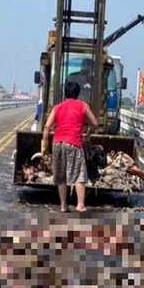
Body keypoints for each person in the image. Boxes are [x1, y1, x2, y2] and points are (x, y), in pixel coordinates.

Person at [41, 80, 98, 213]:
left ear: (64, 93)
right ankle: (80, 205)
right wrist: (88, 134)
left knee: (61, 176)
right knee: (79, 175)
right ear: (78, 93)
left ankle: (63, 206)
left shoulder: (57, 107)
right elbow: (94, 123)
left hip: (57, 143)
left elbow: (46, 127)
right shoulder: (83, 106)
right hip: (73, 143)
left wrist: (44, 147)